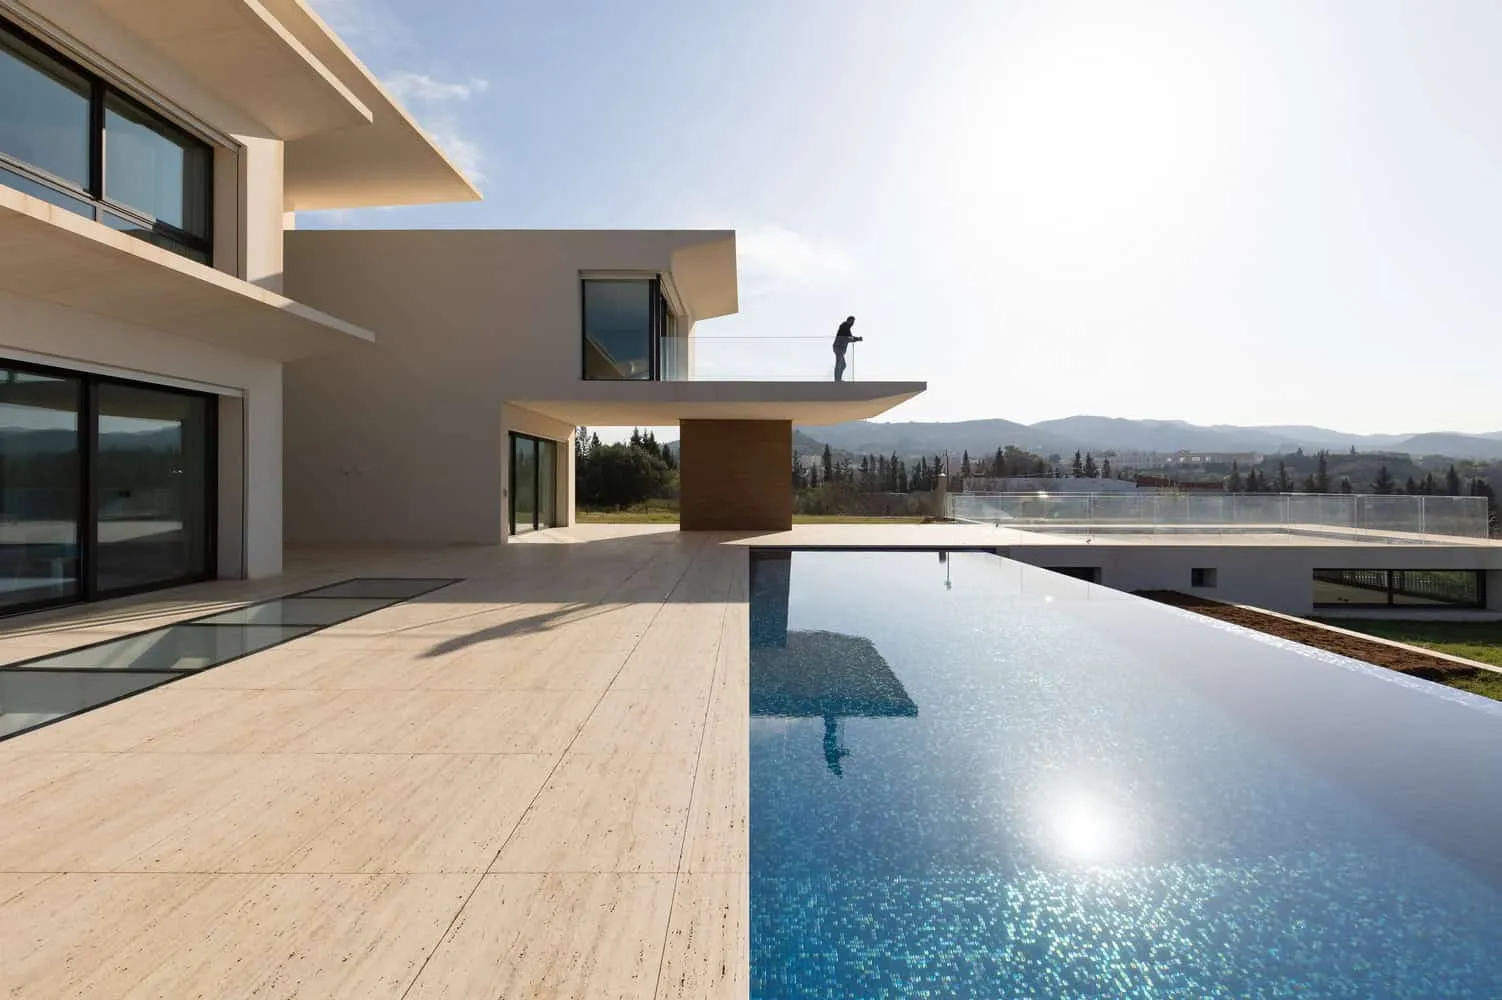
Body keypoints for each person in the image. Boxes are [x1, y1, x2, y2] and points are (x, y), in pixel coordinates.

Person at [832, 315, 862, 381]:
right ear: (848, 321)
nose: (853, 324)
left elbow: (849, 337)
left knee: (843, 365)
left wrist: (856, 339)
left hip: (839, 348)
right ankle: (837, 380)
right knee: (839, 363)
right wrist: (857, 339)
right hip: (838, 347)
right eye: (852, 322)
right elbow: (848, 338)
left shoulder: (846, 327)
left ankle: (838, 379)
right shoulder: (845, 326)